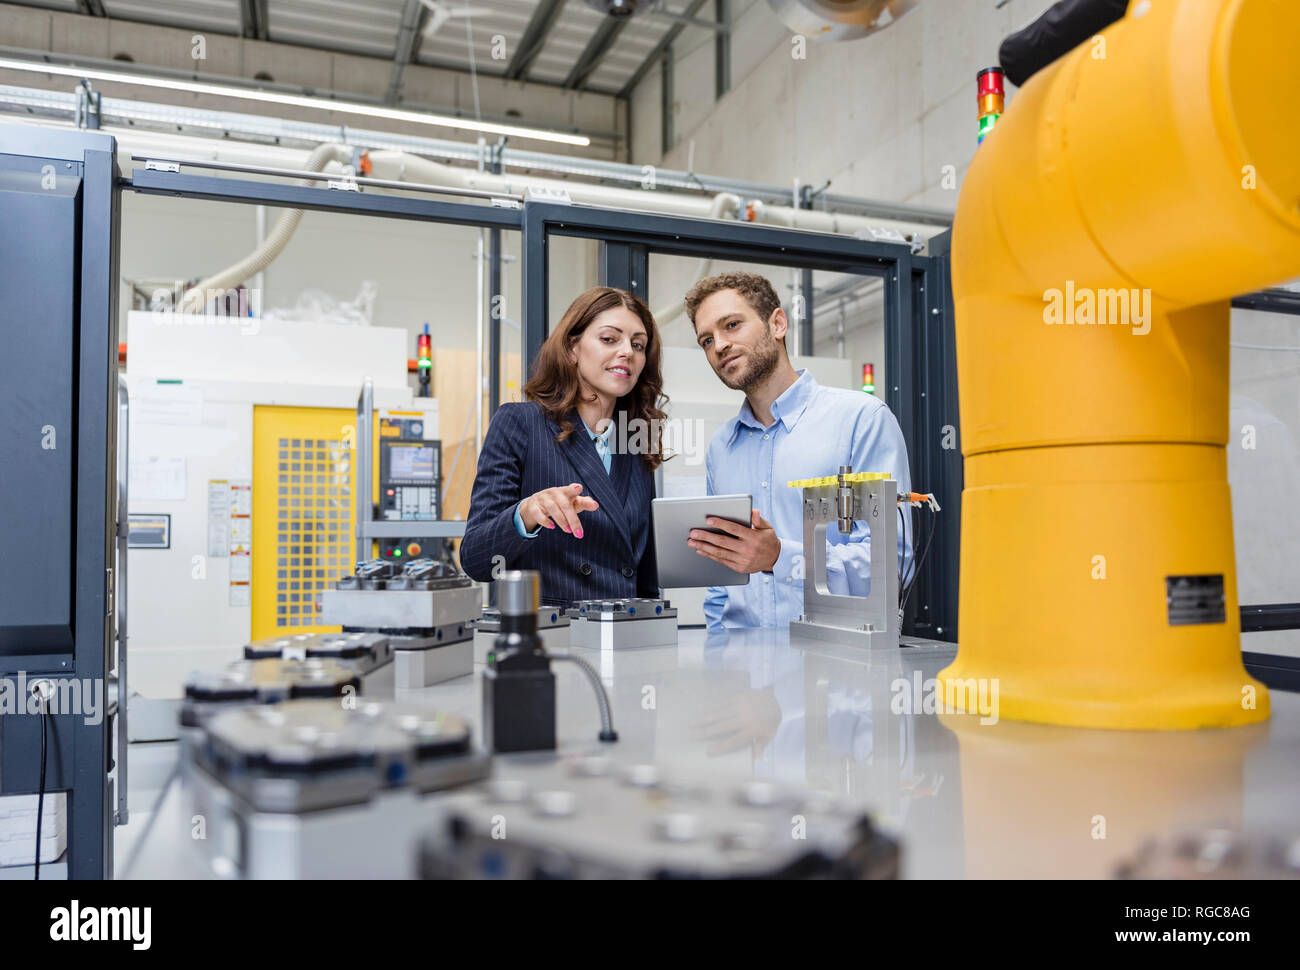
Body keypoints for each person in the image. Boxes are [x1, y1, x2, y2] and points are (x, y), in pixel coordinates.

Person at [683, 271, 913, 630]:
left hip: (836, 669)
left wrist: (779, 557)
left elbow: (891, 567)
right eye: (707, 340)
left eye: (732, 325)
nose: (719, 345)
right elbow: (720, 584)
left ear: (777, 324)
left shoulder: (860, 420)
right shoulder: (721, 448)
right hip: (741, 673)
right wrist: (720, 650)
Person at [458, 286, 666, 606]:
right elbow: (476, 560)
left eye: (638, 344)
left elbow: (646, 577)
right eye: (610, 339)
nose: (628, 351)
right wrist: (526, 513)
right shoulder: (521, 423)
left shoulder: (634, 441)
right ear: (572, 348)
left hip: (626, 640)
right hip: (552, 639)